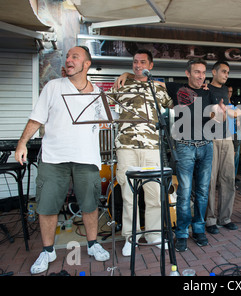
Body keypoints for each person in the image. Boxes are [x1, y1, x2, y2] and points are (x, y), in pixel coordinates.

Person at [15, 46, 110, 274]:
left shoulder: (98, 93)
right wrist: (22, 143)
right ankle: (48, 251)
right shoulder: (53, 86)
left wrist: (109, 120)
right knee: (47, 207)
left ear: (86, 64)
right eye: (67, 57)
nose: (68, 60)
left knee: (89, 205)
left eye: (74, 57)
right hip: (53, 157)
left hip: (86, 158)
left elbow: (105, 122)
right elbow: (36, 118)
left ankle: (93, 244)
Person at [110, 49, 173, 256]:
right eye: (135, 62)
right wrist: (125, 77)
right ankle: (131, 237)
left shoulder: (158, 88)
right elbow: (107, 106)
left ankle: (154, 235)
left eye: (142, 62)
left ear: (151, 65)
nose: (138, 65)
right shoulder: (121, 84)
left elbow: (173, 107)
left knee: (154, 192)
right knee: (129, 194)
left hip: (151, 146)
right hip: (126, 146)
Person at [164, 58, 225, 252]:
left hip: (206, 146)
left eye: (203, 72)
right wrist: (125, 75)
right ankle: (181, 232)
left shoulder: (211, 93)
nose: (200, 76)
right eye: (196, 72)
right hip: (185, 146)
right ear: (187, 73)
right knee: (184, 192)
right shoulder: (176, 89)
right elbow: (151, 82)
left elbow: (216, 118)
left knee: (203, 191)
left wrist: (221, 115)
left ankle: (199, 229)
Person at [205, 61, 238, 235]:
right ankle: (210, 220)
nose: (226, 75)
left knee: (228, 179)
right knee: (210, 181)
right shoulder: (205, 89)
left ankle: (225, 218)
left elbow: (227, 112)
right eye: (223, 71)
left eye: (228, 72)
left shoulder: (225, 90)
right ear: (214, 72)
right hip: (210, 139)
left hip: (227, 139)